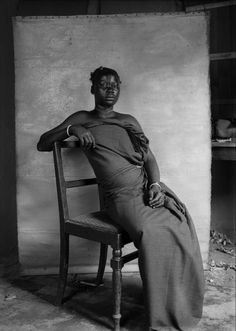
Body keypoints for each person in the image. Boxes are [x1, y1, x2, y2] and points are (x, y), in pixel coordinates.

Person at [37, 66, 205, 331]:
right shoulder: (82, 117)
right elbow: (43, 142)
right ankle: (161, 312)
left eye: (115, 84)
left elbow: (148, 158)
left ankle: (177, 302)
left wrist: (156, 186)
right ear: (93, 88)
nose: (111, 89)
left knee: (178, 224)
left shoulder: (128, 120)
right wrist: (72, 129)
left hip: (144, 189)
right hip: (119, 199)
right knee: (151, 231)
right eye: (104, 84)